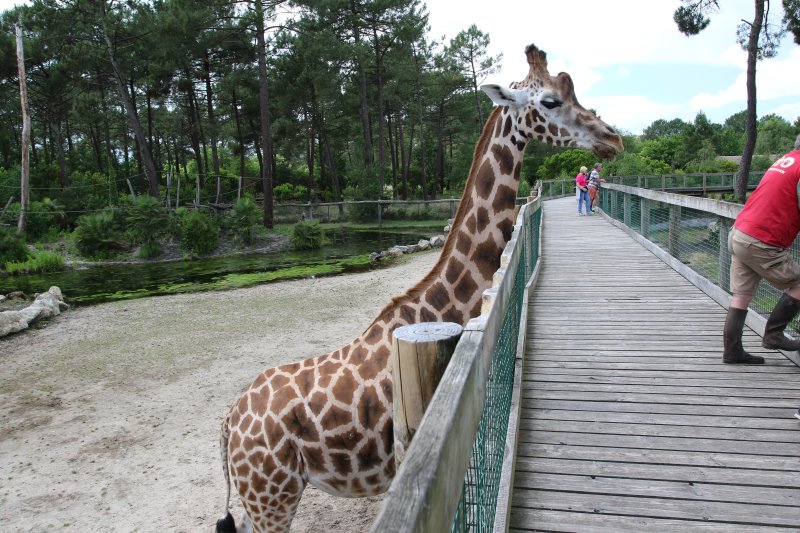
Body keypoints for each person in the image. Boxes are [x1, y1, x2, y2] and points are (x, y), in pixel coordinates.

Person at [723, 133, 800, 387]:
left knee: (741, 296)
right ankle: (774, 335)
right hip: (761, 239)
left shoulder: (785, 161)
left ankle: (733, 351)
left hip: (740, 232)